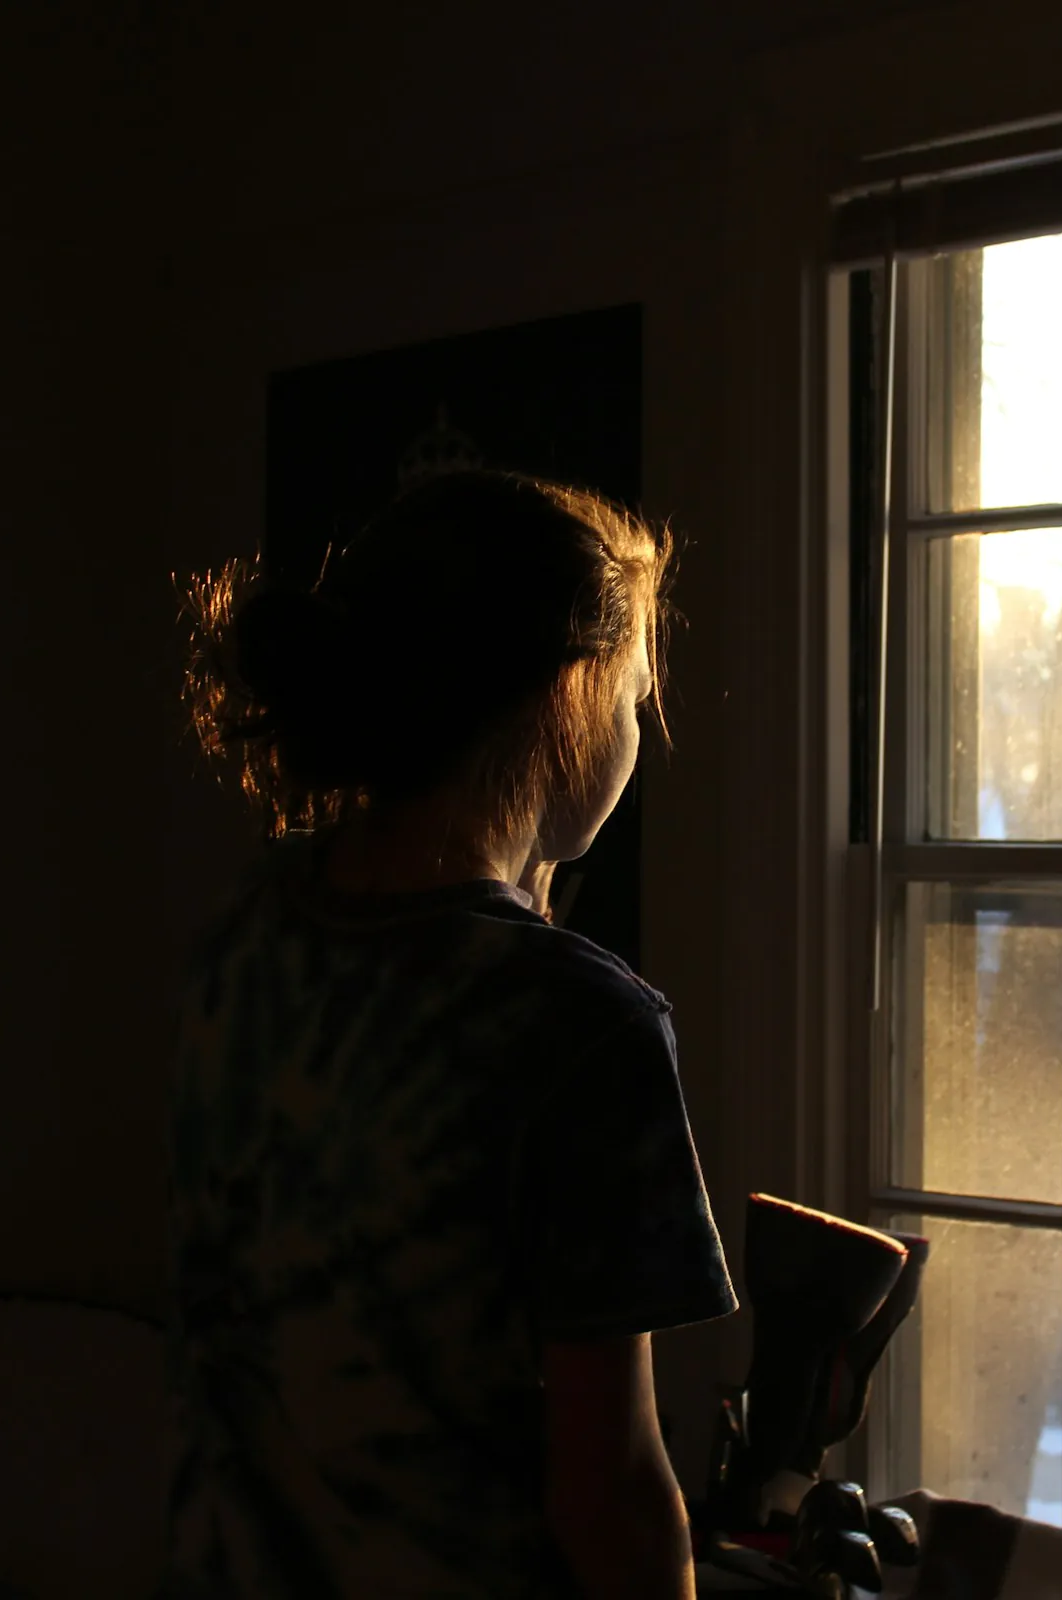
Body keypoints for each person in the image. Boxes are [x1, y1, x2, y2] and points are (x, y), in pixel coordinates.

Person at [167, 470, 736, 1599]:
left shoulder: (248, 931)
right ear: (568, 697)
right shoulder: (581, 1026)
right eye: (634, 698)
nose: (637, 731)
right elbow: (609, 1491)